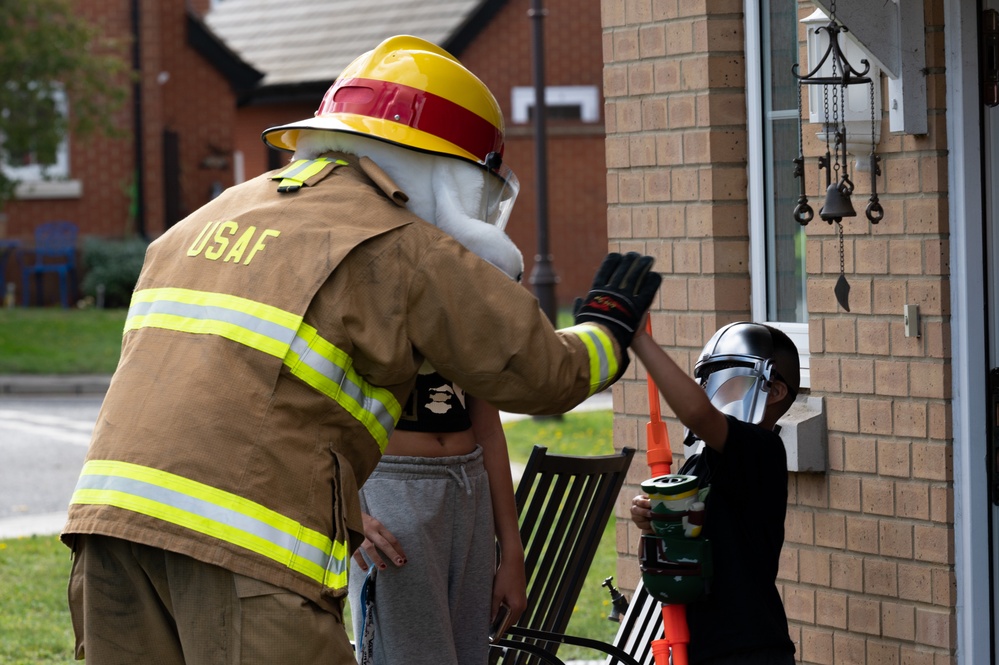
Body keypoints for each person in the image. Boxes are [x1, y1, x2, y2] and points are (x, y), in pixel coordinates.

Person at [62, 34, 661, 665]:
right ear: (448, 172)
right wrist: (608, 329)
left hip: (109, 529)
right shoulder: (402, 245)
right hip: (245, 546)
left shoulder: (201, 224)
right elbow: (541, 375)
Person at [629, 321, 799, 665]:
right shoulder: (697, 465)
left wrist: (639, 339)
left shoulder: (761, 452)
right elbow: (672, 556)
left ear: (775, 390)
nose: (710, 389)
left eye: (727, 376)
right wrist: (652, 523)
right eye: (705, 379)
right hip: (698, 646)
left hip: (747, 648)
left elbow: (696, 412)